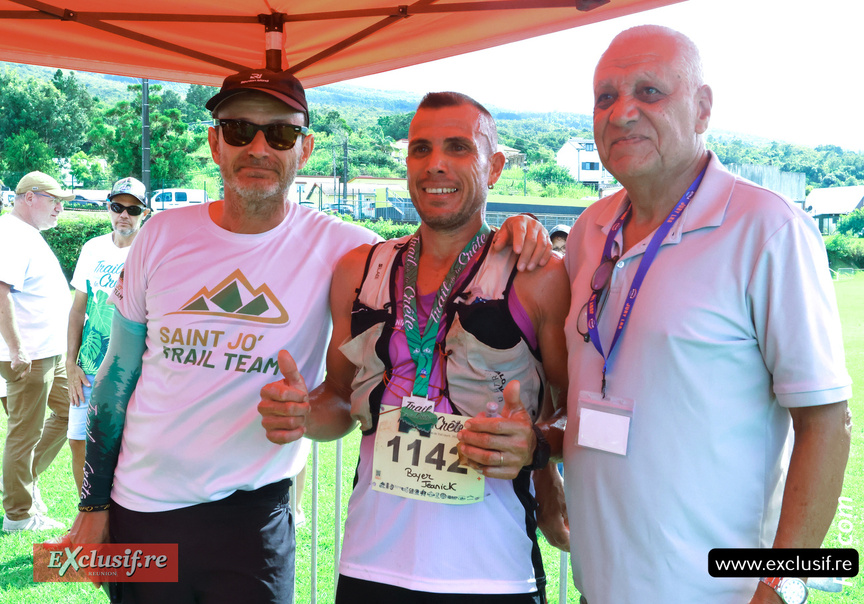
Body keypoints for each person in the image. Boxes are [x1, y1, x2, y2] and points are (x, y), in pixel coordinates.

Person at [67, 70, 549, 602]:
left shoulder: (345, 249)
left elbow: (443, 235)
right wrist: (92, 508)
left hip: (252, 520)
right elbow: (116, 376)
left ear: (305, 148)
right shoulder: (161, 234)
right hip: (142, 510)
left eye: (279, 134)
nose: (257, 147)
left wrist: (516, 226)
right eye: (237, 130)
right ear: (213, 141)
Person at [549, 25, 852, 604]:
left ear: (702, 107)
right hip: (599, 587)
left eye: (650, 92)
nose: (622, 113)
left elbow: (826, 424)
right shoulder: (591, 229)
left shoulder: (768, 228)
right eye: (605, 97)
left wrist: (782, 587)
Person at [260, 91, 570, 603]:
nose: (436, 164)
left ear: (493, 168)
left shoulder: (537, 276)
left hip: (492, 573)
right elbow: (338, 399)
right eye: (420, 149)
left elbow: (571, 414)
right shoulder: (359, 271)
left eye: (458, 148)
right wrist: (302, 413)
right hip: (370, 565)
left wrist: (535, 445)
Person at [66, 177, 150, 496]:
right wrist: (71, 364)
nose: (124, 215)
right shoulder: (93, 249)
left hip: (130, 369)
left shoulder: (149, 252)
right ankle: (88, 514)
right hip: (88, 366)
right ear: (108, 208)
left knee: (125, 444)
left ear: (145, 213)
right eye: (117, 207)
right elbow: (78, 310)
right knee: (78, 440)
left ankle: (124, 517)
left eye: (133, 209)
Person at [0, 171, 74, 532]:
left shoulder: (25, 234)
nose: (60, 207)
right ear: (29, 197)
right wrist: (17, 349)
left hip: (49, 351)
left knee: (71, 411)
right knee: (24, 432)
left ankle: (17, 480)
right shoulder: (11, 234)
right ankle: (18, 515)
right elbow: (0, 292)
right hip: (29, 355)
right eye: (53, 199)